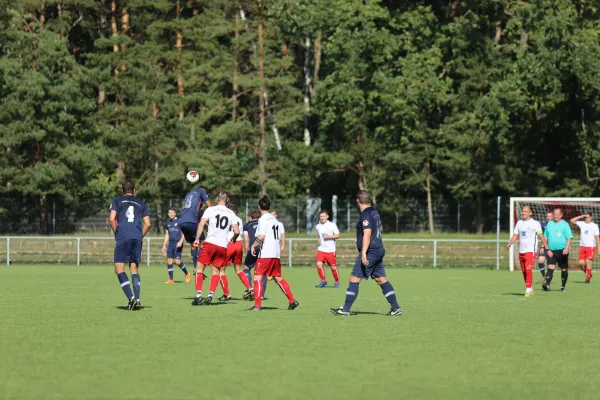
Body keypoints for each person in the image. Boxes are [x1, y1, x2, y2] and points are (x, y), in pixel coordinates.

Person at [331, 190, 402, 316]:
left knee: (354, 278)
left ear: (357, 201)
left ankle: (345, 309)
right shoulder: (374, 211)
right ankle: (396, 308)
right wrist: (359, 239)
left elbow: (368, 233)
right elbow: (372, 231)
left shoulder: (365, 214)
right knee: (381, 279)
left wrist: (363, 253)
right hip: (379, 249)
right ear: (369, 200)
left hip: (371, 252)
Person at [248, 196, 299, 311]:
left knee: (257, 278)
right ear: (269, 207)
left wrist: (253, 245)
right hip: (275, 254)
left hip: (266, 253)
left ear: (259, 207)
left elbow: (261, 236)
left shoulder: (263, 219)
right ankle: (292, 301)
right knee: (278, 278)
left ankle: (257, 306)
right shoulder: (275, 220)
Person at [108, 180, 151, 310]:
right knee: (134, 269)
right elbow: (148, 223)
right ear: (134, 190)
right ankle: (137, 299)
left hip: (123, 236)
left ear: (122, 190)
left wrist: (117, 233)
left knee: (119, 269)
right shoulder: (141, 203)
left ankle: (131, 298)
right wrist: (139, 236)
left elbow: (111, 218)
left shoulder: (117, 200)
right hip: (136, 237)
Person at [191, 191, 239, 306]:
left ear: (217, 198)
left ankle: (198, 296)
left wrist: (197, 238)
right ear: (227, 200)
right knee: (216, 272)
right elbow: (237, 231)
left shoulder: (210, 209)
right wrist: (233, 238)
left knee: (199, 269)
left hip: (210, 243)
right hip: (222, 246)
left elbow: (201, 224)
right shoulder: (230, 213)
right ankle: (210, 295)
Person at [506, 206, 549, 296]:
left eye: (525, 211)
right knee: (524, 271)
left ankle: (528, 289)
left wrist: (546, 248)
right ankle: (530, 288)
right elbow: (515, 235)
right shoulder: (519, 223)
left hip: (531, 250)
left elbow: (541, 236)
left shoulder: (535, 223)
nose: (523, 213)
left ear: (530, 213)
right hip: (521, 250)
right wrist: (510, 243)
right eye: (522, 211)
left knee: (528, 269)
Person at [218, 204, 253, 300]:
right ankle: (250, 289)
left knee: (221, 270)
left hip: (229, 244)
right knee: (238, 270)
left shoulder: (225, 218)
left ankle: (226, 294)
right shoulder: (239, 219)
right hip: (238, 244)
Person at [178, 184, 212, 274]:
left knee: (193, 244)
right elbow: (209, 206)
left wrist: (208, 224)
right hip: (191, 222)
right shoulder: (201, 191)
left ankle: (195, 268)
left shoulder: (189, 194)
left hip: (181, 222)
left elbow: (198, 216)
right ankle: (200, 269)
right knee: (203, 243)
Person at [542, 208, 573, 292]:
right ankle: (547, 285)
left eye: (556, 214)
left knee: (563, 268)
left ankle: (563, 286)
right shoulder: (549, 224)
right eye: (554, 214)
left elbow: (569, 237)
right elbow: (545, 236)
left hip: (562, 250)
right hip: (551, 250)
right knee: (550, 267)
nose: (554, 216)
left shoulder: (565, 224)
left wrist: (566, 248)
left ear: (561, 215)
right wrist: (543, 247)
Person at [161, 208, 190, 284]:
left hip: (178, 244)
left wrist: (181, 241)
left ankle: (187, 273)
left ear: (175, 213)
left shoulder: (180, 222)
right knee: (169, 261)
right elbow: (167, 234)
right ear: (168, 214)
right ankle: (171, 279)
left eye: (173, 213)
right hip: (170, 244)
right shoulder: (167, 222)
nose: (171, 214)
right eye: (170, 213)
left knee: (177, 261)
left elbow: (184, 233)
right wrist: (164, 245)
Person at [569, 213, 600, 283]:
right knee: (581, 264)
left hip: (591, 247)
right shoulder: (582, 223)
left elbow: (598, 238)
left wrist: (599, 249)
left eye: (587, 217)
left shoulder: (594, 226)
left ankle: (587, 278)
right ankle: (589, 273)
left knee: (588, 262)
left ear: (591, 217)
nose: (586, 218)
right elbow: (571, 220)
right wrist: (581, 216)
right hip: (582, 246)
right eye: (585, 217)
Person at [315, 210, 341, 288]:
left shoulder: (332, 225)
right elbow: (318, 235)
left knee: (333, 267)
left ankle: (336, 281)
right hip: (321, 249)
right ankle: (323, 281)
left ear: (327, 217)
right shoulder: (318, 226)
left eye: (323, 216)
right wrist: (318, 238)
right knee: (319, 264)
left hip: (330, 250)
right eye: (321, 216)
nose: (322, 218)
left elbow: (338, 235)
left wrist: (329, 236)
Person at [242, 210, 261, 300]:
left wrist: (246, 252)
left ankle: (250, 289)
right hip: (263, 248)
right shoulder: (263, 223)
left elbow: (246, 240)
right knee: (261, 271)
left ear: (250, 216)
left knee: (246, 268)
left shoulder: (247, 225)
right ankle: (261, 293)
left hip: (253, 248)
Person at [537, 212, 553, 283]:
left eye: (550, 216)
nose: (549, 217)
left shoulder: (556, 225)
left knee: (551, 265)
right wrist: (541, 247)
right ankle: (543, 275)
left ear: (553, 217)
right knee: (540, 261)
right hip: (544, 246)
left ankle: (548, 277)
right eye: (547, 216)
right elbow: (540, 235)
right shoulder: (543, 225)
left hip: (553, 247)